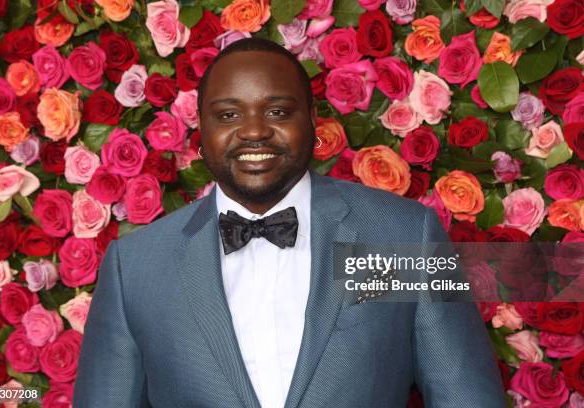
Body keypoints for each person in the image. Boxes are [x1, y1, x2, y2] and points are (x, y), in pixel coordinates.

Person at [73, 38, 505, 408]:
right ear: (199, 131)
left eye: (278, 112)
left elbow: (464, 396)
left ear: (312, 120)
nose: (254, 131)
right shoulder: (135, 266)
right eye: (227, 115)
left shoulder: (405, 236)